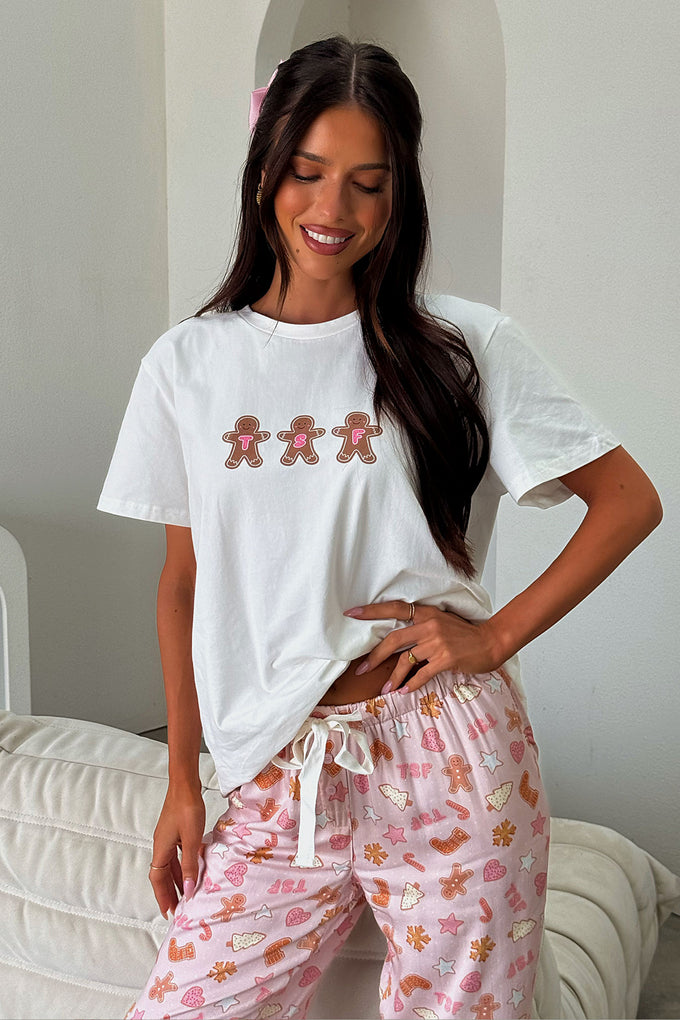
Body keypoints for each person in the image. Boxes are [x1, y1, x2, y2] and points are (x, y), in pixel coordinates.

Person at [97, 34, 662, 1020]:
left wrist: (493, 635)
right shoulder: (186, 365)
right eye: (307, 172)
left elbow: (628, 500)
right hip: (278, 765)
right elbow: (183, 584)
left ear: (400, 194)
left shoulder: (460, 345)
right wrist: (182, 780)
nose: (333, 210)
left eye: (368, 183)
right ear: (264, 170)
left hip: (448, 753)